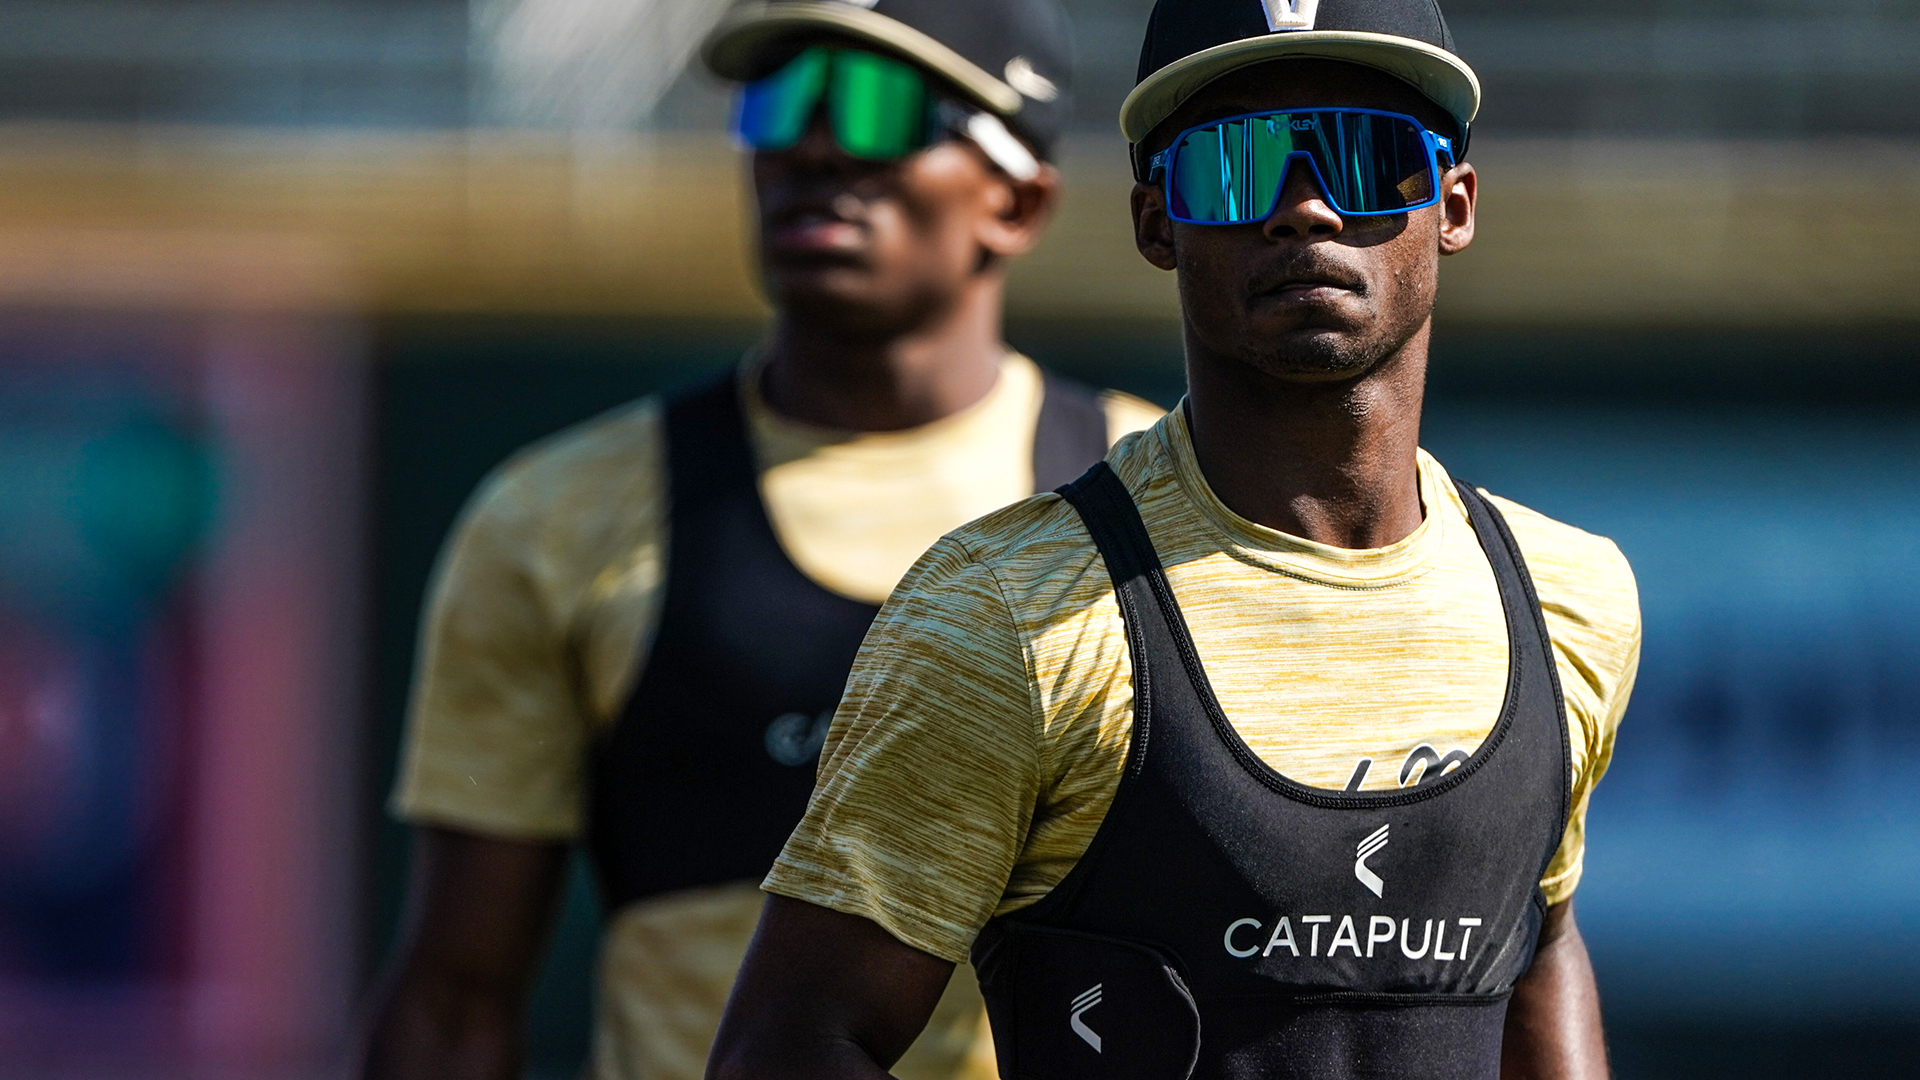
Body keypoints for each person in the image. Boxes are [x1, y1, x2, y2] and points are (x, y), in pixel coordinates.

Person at [708, 0, 1644, 1078]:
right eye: (1233, 167)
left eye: (1363, 153)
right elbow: (794, 1044)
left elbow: (1536, 949)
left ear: (1456, 202)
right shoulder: (1008, 612)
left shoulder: (1572, 596)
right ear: (1157, 224)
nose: (1303, 207)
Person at [360, 1, 1163, 1078]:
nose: (813, 143)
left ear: (1015, 200)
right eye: (777, 101)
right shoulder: (560, 517)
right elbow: (454, 1002)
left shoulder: (1157, 509)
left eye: (880, 107)